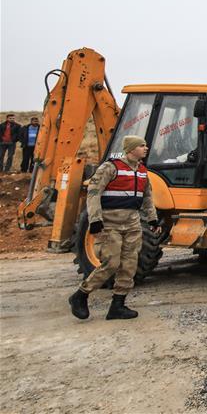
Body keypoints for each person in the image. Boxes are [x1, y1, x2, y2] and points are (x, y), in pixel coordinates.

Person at [68, 135, 161, 321]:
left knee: (129, 265)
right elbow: (93, 193)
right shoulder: (110, 168)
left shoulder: (142, 171)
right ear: (131, 149)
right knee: (111, 263)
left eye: (145, 144)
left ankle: (117, 305)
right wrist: (95, 220)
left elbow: (147, 197)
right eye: (141, 145)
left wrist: (152, 220)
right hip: (111, 223)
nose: (146, 148)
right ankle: (80, 295)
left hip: (133, 223)